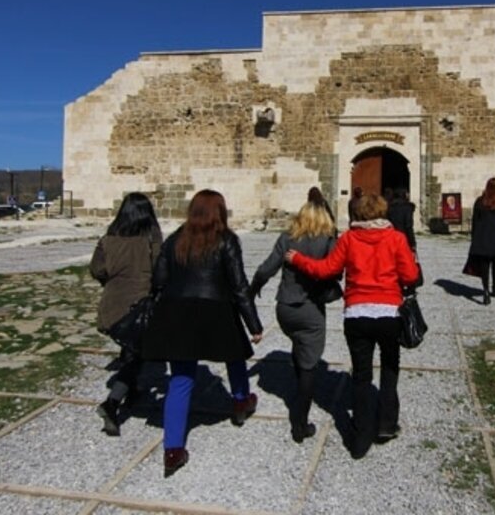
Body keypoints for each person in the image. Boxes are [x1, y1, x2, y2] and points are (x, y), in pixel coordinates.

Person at [284, 194, 419, 459]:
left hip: (357, 314)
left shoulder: (348, 238)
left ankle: (359, 440)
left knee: (361, 375)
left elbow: (326, 270)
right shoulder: (396, 238)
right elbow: (411, 276)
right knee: (390, 370)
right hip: (390, 314)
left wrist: (298, 259)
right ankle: (386, 425)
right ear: (382, 212)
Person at [142, 189, 264, 477]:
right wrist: (253, 325)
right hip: (216, 310)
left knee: (181, 379)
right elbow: (238, 285)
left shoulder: (175, 240)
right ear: (219, 211)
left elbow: (158, 281)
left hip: (178, 311)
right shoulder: (227, 240)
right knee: (234, 355)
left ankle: (172, 449)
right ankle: (240, 401)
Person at [249, 201, 338, 443]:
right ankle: (300, 424)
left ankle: (298, 391)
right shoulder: (329, 240)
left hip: (285, 309)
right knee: (310, 364)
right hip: (311, 309)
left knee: (299, 347)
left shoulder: (288, 238)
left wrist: (253, 289)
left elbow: (267, 269)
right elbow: (335, 271)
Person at [89, 192, 162, 436]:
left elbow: (97, 270)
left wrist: (113, 282)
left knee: (131, 349)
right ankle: (111, 404)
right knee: (138, 355)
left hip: (110, 308)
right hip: (138, 308)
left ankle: (133, 391)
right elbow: (160, 269)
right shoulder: (150, 237)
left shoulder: (108, 239)